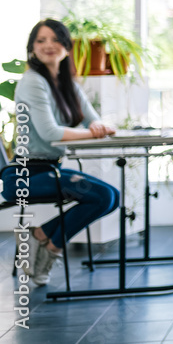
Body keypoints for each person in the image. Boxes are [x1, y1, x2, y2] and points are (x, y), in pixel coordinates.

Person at [0, 19, 120, 285]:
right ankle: (51, 247)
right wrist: (94, 131)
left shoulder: (68, 84)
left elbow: (94, 121)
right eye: (40, 41)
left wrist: (99, 126)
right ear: (32, 48)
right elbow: (51, 133)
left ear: (66, 46)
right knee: (101, 196)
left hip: (50, 169)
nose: (48, 45)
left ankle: (41, 236)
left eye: (55, 39)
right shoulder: (32, 82)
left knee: (112, 197)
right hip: (24, 174)